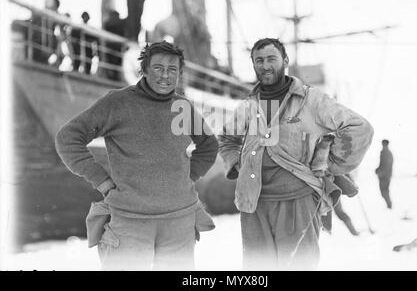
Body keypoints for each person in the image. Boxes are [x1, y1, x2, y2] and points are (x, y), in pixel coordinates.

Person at [55, 41, 218, 270]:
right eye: (158, 68)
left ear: (180, 74)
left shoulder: (183, 107)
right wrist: (101, 181)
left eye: (172, 70)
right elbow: (68, 138)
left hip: (179, 221)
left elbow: (209, 145)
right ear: (144, 70)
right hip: (130, 220)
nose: (165, 76)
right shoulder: (118, 103)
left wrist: (186, 178)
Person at [218, 38, 374, 270]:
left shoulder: (311, 99)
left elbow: (360, 128)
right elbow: (227, 138)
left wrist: (329, 163)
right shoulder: (249, 105)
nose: (265, 65)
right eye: (259, 60)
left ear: (285, 61)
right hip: (253, 203)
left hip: (297, 200)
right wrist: (238, 165)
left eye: (271, 59)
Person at [375, 139, 394, 209]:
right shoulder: (385, 152)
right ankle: (389, 205)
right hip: (385, 175)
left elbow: (386, 165)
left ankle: (389, 205)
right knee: (384, 191)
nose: (382, 145)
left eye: (383, 144)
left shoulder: (386, 153)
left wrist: (380, 171)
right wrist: (378, 169)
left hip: (385, 176)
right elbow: (382, 164)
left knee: (384, 191)